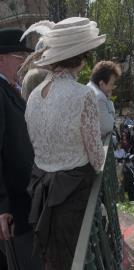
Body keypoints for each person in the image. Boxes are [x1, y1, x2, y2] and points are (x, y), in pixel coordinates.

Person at [24, 17, 106, 269]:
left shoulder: (34, 96)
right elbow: (96, 157)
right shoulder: (83, 95)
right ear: (81, 58)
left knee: (56, 260)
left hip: (42, 189)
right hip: (74, 193)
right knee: (77, 257)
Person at [0, 28, 42, 269]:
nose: (23, 64)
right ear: (1, 58)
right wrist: (2, 207)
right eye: (19, 57)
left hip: (24, 200)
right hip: (14, 206)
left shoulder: (10, 89)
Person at [87, 60, 121, 140]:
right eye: (111, 84)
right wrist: (109, 101)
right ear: (102, 83)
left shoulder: (89, 87)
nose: (112, 88)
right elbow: (108, 126)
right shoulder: (99, 97)